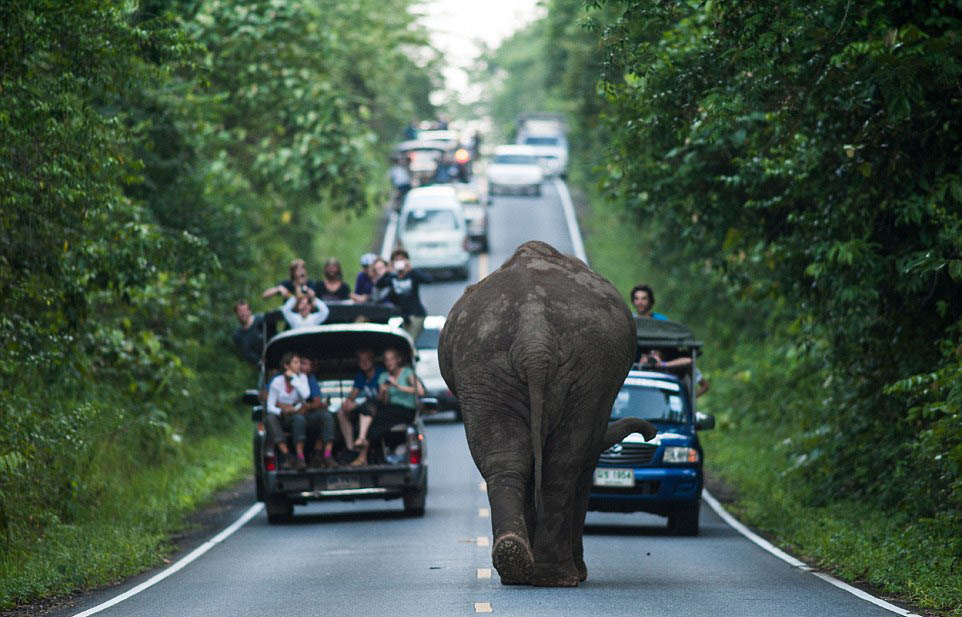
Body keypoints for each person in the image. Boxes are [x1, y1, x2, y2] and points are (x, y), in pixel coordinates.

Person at [352, 347, 423, 466]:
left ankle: (363, 452)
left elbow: (420, 391)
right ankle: (364, 446)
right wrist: (383, 391)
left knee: (376, 420)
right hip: (390, 409)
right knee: (367, 414)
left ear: (397, 360)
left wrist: (397, 386)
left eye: (392, 359)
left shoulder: (407, 372)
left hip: (405, 410)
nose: (389, 362)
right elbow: (383, 401)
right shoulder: (384, 376)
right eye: (386, 360)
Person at [336, 348, 385, 460]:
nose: (364, 362)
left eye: (367, 359)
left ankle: (361, 441)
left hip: (380, 408)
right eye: (361, 360)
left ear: (372, 360)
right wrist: (347, 403)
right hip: (366, 407)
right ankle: (350, 448)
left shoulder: (381, 373)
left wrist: (357, 405)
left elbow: (380, 398)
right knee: (341, 412)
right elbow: (352, 395)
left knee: (367, 407)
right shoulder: (361, 376)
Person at [265, 353, 311, 470]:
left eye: (299, 363)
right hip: (281, 416)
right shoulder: (277, 382)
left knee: (299, 419)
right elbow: (270, 406)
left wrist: (295, 379)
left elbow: (305, 395)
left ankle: (300, 456)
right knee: (269, 418)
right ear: (286, 366)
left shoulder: (302, 378)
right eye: (295, 363)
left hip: (295, 414)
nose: (298, 365)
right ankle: (286, 454)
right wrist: (281, 411)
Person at [377, 249, 431, 339]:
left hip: (416, 314)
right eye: (396, 260)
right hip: (403, 316)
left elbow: (428, 279)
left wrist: (411, 269)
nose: (399, 262)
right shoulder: (392, 277)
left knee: (410, 339)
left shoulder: (412, 274)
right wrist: (387, 271)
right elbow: (379, 284)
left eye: (401, 260)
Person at [297, 355, 336, 468]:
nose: (307, 367)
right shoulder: (283, 379)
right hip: (291, 415)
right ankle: (300, 458)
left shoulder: (309, 378)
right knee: (298, 419)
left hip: (308, 415)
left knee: (326, 416)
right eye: (304, 363)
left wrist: (308, 406)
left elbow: (317, 401)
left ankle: (326, 454)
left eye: (309, 365)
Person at [232, 300, 281, 365]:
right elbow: (247, 353)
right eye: (240, 311)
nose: (243, 314)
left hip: (278, 354)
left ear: (250, 311)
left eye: (245, 310)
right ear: (236, 314)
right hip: (264, 365)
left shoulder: (262, 319)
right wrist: (260, 362)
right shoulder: (237, 335)